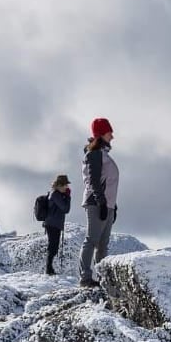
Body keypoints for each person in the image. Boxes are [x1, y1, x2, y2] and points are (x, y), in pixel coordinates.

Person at [78, 117, 119, 288]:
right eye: (110, 132)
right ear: (101, 133)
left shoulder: (103, 155)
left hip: (106, 204)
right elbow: (93, 181)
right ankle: (85, 278)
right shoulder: (94, 154)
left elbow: (107, 182)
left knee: (103, 244)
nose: (113, 136)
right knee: (92, 240)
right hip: (96, 203)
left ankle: (102, 278)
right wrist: (101, 202)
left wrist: (112, 206)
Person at [44, 174, 72, 275]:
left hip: (54, 223)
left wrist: (65, 196)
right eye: (65, 185)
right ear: (59, 185)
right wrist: (68, 197)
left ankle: (49, 268)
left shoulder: (57, 194)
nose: (66, 187)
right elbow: (65, 209)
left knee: (54, 246)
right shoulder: (55, 195)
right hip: (52, 224)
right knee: (53, 246)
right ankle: (48, 269)